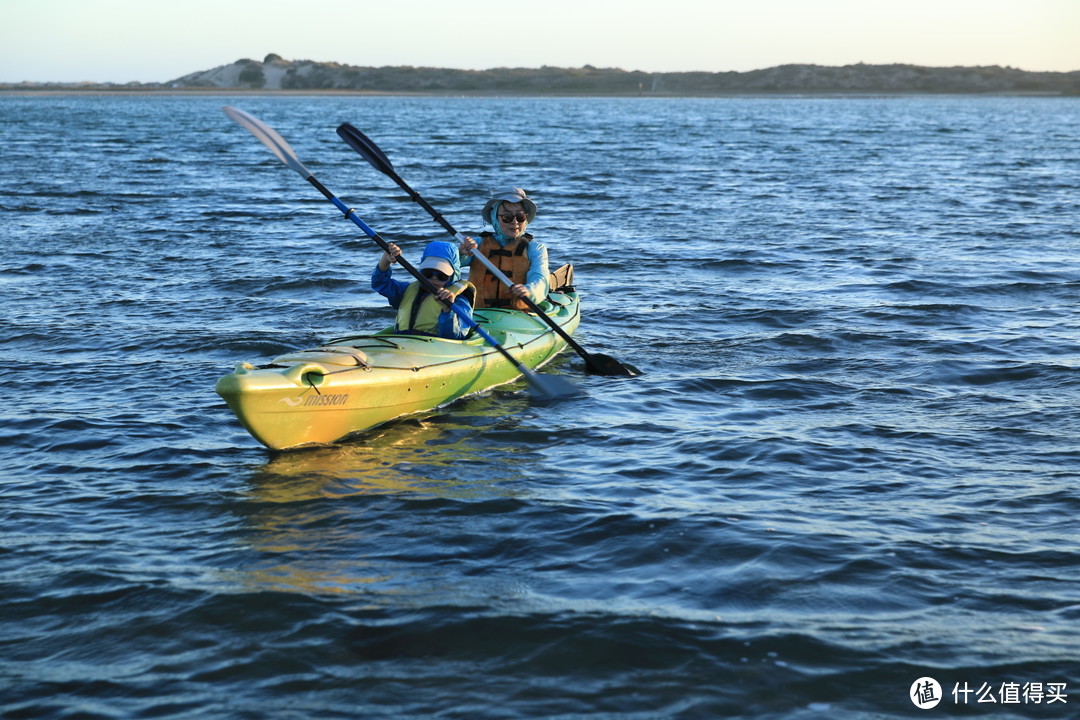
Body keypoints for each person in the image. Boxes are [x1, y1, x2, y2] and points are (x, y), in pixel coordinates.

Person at [460, 187, 550, 311]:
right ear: (495, 218)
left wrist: (529, 291)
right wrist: (461, 253)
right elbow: (451, 263)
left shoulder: (535, 248)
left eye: (520, 216)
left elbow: (540, 278)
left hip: (518, 314)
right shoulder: (477, 245)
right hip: (479, 313)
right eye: (506, 217)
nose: (514, 222)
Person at [371, 239, 475, 339]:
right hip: (403, 344)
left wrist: (448, 310)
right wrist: (385, 261)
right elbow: (379, 284)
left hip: (434, 349)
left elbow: (456, 336)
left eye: (442, 276)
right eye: (428, 273)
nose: (434, 280)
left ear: (452, 275)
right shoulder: (406, 290)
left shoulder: (460, 300)